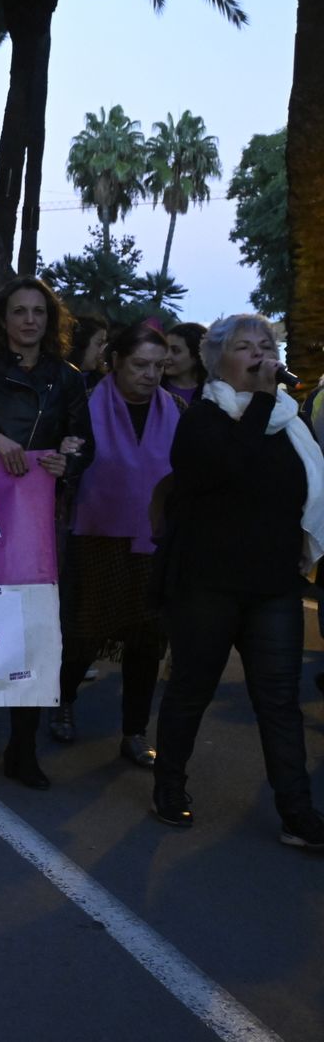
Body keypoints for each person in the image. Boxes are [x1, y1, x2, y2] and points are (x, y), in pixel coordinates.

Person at [150, 314, 324, 849]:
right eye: (245, 346)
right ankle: (169, 785)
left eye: (265, 345)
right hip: (209, 583)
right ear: (217, 360)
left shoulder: (290, 423)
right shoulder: (203, 419)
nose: (259, 353)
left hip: (273, 585)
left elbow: (303, 492)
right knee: (192, 689)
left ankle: (297, 812)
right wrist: (265, 401)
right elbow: (230, 466)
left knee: (279, 701)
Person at [0, 275, 91, 790]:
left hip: (39, 519)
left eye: (39, 312)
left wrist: (68, 460)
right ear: (1, 319)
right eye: (20, 311)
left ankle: (22, 747)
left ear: (51, 321)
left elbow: (84, 443)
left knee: (34, 629)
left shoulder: (68, 378)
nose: (30, 320)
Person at [53, 324, 177, 767]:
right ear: (116, 362)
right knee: (83, 634)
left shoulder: (177, 410)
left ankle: (135, 731)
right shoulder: (84, 406)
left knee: (147, 641)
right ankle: (63, 703)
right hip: (95, 538)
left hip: (153, 543)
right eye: (140, 365)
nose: (150, 375)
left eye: (159, 366)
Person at [162, 321, 208, 407]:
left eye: (175, 351)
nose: (166, 356)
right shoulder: (154, 386)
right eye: (165, 349)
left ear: (196, 356)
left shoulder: (212, 394)